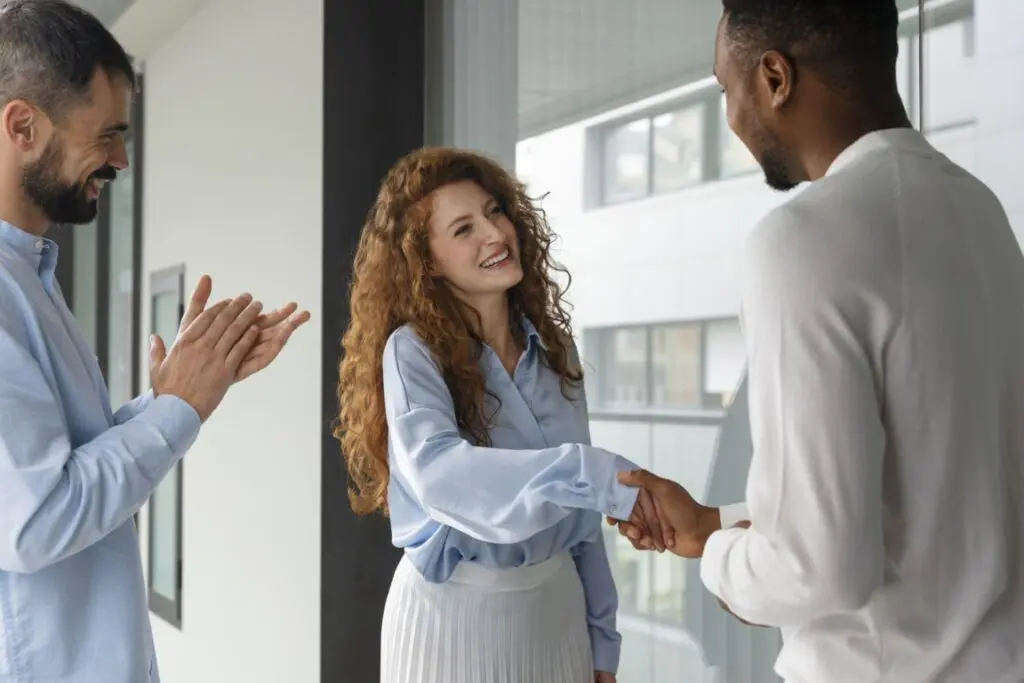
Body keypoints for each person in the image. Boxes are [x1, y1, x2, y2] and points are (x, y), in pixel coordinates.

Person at [612, 1, 1024, 682]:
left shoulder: (801, 240)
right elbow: (941, 481)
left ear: (776, 78)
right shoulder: (980, 213)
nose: (731, 117)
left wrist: (718, 557)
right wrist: (715, 520)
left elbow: (816, 568)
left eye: (725, 89)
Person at [0, 1, 309, 681]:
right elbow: (34, 521)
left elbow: (64, 467)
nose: (121, 158)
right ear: (22, 125)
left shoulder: (32, 275)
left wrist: (180, 390)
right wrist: (176, 411)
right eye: (108, 133)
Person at [335, 147, 667, 683]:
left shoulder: (556, 350)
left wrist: (603, 643)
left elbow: (582, 524)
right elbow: (440, 475)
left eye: (494, 211)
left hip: (558, 618)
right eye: (463, 229)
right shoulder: (412, 352)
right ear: (426, 261)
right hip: (449, 623)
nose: (494, 234)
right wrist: (591, 473)